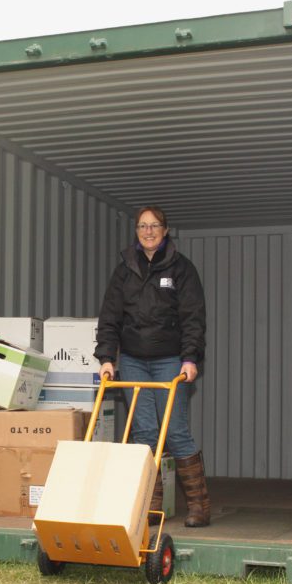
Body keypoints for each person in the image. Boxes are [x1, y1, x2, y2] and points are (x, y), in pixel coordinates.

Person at [94, 206, 210, 527]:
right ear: (136, 231)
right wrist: (107, 358)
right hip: (132, 362)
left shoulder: (181, 270)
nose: (148, 231)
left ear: (165, 230)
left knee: (175, 432)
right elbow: (110, 319)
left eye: (154, 225)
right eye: (142, 226)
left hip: (170, 361)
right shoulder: (124, 271)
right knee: (143, 433)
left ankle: (199, 506)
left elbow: (193, 318)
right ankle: (150, 506)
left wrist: (190, 359)